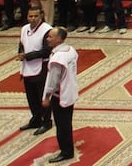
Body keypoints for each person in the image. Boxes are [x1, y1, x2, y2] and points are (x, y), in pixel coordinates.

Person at [41, 26, 78, 163]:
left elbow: (52, 81)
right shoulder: (71, 50)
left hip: (60, 95)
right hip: (71, 91)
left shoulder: (58, 58)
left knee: (62, 125)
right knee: (67, 122)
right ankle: (68, 147)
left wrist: (46, 97)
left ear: (59, 39)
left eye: (50, 37)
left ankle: (66, 151)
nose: (47, 39)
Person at [17, 5, 53, 136]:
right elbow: (21, 44)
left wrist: (28, 56)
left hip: (41, 68)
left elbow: (47, 51)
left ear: (41, 16)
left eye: (35, 16)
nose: (32, 19)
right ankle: (36, 119)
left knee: (42, 96)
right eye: (30, 16)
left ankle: (46, 121)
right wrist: (21, 54)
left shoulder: (47, 30)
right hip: (27, 67)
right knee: (31, 96)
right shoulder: (24, 29)